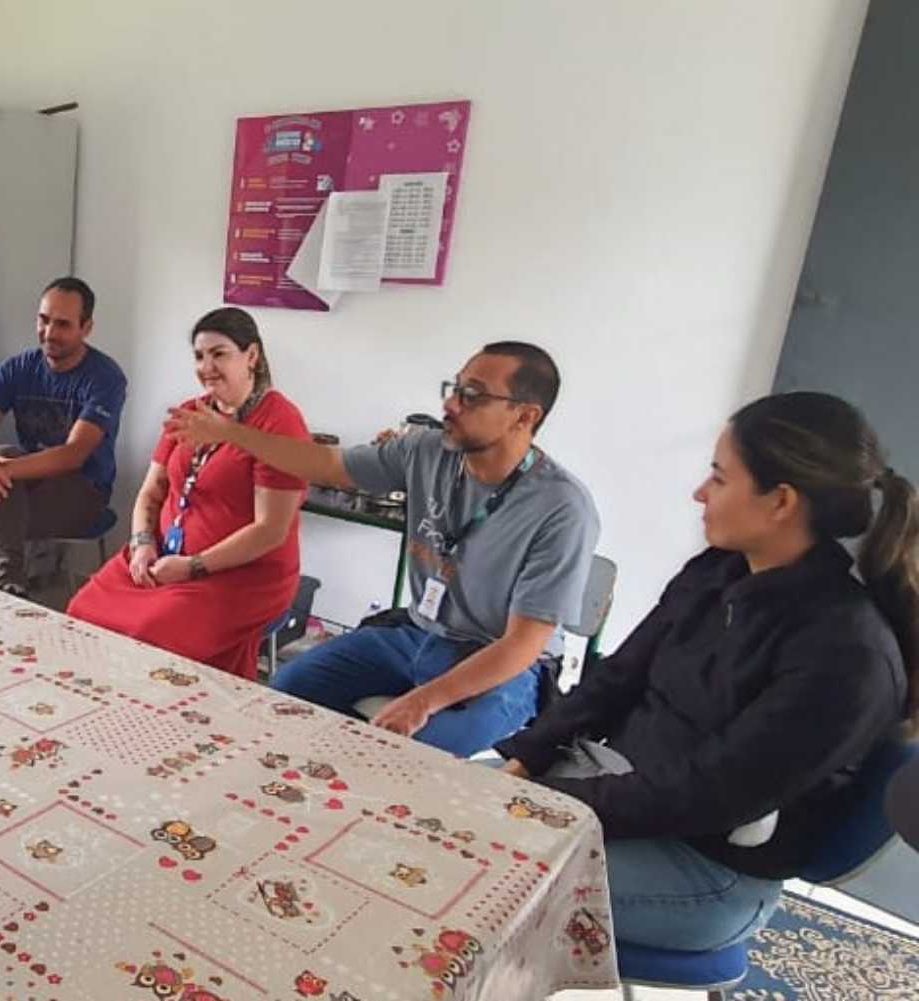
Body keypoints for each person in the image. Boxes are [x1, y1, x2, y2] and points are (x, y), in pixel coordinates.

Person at [497, 392, 915, 951]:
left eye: (719, 478)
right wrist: (525, 761)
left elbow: (704, 794)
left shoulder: (846, 655)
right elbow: (616, 678)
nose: (700, 493)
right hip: (620, 791)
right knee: (440, 820)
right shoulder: (719, 570)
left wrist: (543, 803)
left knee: (484, 879)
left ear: (780, 502)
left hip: (706, 869)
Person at [166, 342, 599, 755]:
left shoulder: (560, 509)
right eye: (454, 388)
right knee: (287, 693)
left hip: (500, 666)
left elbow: (522, 645)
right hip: (413, 634)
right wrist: (234, 434)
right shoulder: (427, 451)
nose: (451, 405)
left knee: (413, 754)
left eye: (472, 396)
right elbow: (329, 465)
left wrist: (423, 701)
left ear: (524, 416)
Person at [67, 308, 308, 679]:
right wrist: (143, 542)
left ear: (253, 357)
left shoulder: (279, 424)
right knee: (83, 612)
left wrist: (193, 566)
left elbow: (270, 530)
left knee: (152, 638)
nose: (207, 366)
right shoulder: (190, 413)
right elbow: (151, 492)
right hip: (163, 556)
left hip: (240, 575)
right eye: (199, 356)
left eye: (219, 354)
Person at [0, 278, 128, 596]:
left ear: (86, 327)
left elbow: (72, 454)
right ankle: (9, 588)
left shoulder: (105, 377)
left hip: (83, 493)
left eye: (63, 324)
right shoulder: (16, 369)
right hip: (23, 485)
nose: (49, 333)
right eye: (44, 320)